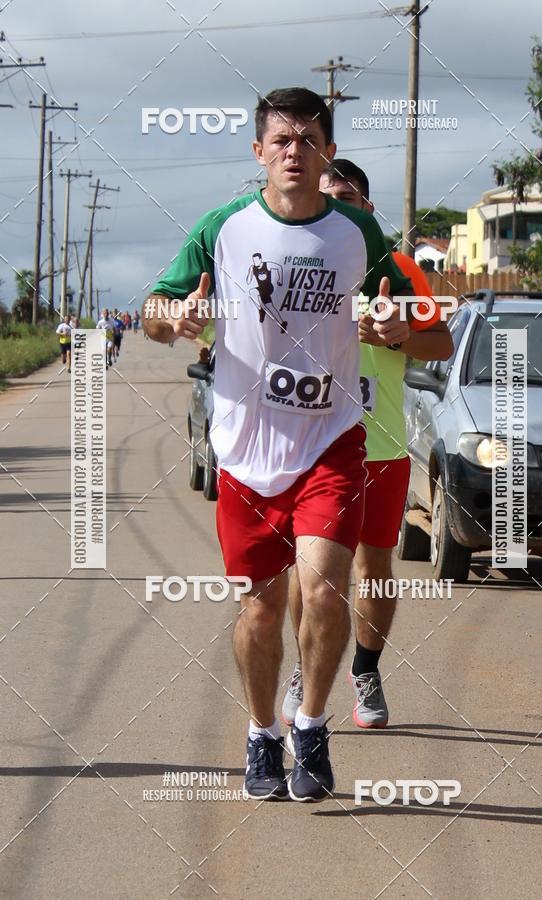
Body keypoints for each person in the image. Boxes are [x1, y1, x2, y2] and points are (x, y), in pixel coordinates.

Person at [142, 87, 441, 802]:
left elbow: (432, 330)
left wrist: (403, 333)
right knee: (260, 610)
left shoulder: (360, 237)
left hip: (331, 443)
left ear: (327, 151)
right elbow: (154, 309)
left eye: (309, 141)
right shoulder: (223, 227)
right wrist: (174, 319)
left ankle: (309, 723)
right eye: (281, 141)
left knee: (325, 587)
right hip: (245, 451)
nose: (295, 153)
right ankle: (260, 734)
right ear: (258, 153)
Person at [282, 159, 453, 729]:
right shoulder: (294, 261)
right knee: (309, 572)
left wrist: (404, 331)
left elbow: (442, 344)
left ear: (369, 208)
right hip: (306, 444)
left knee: (374, 569)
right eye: (329, 195)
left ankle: (365, 668)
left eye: (350, 197)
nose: (339, 205)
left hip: (379, 448)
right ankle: (305, 670)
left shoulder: (399, 268)